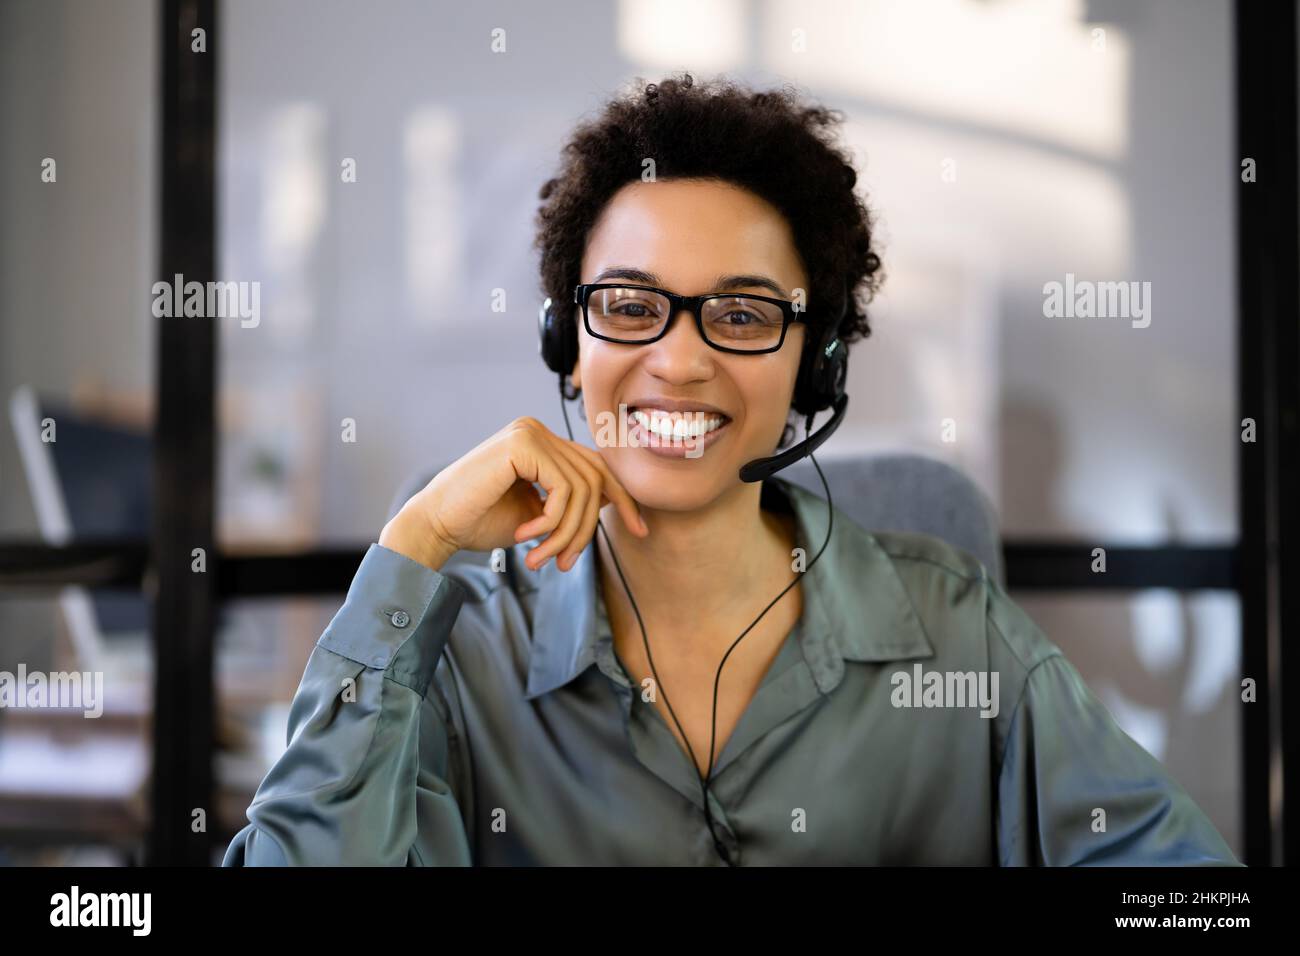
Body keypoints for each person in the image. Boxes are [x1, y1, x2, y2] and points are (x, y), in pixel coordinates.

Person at [223, 73, 1240, 866]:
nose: (678, 358)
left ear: (819, 358)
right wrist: (415, 543)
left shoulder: (952, 626)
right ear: (563, 340)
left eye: (744, 314)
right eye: (628, 305)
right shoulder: (457, 650)